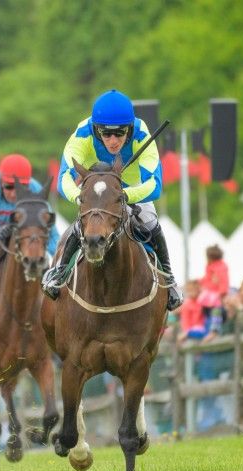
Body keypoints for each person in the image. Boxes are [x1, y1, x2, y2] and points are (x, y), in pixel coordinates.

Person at [42, 89, 183, 310]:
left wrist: (123, 197)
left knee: (149, 222)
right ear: (96, 130)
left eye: (119, 133)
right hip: (96, 194)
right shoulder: (82, 134)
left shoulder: (142, 135)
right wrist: (81, 198)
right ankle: (60, 272)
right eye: (106, 134)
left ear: (130, 128)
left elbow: (155, 186)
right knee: (82, 225)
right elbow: (64, 180)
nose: (113, 140)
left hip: (132, 190)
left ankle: (169, 277)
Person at [0, 153, 59, 259]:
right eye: (9, 186)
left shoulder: (35, 190)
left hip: (25, 241)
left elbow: (52, 234)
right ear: (0, 181)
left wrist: (59, 261)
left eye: (20, 187)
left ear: (28, 184)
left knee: (44, 255)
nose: (14, 194)